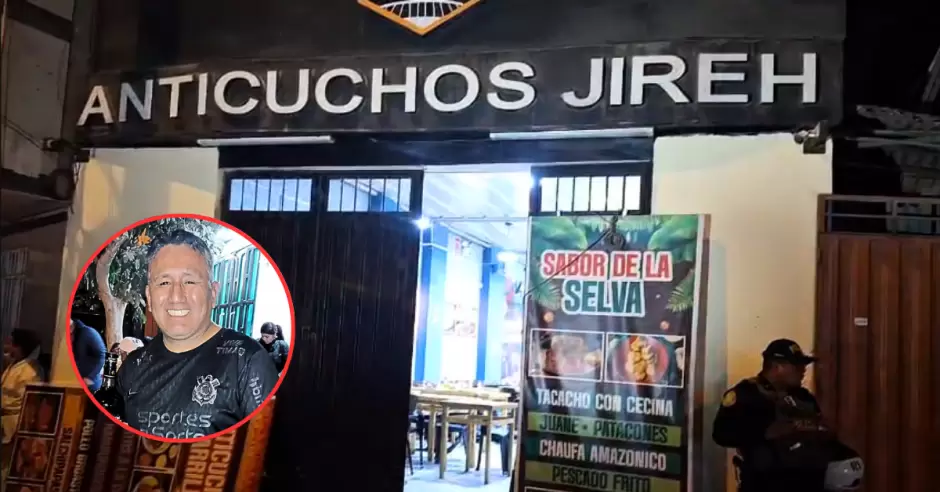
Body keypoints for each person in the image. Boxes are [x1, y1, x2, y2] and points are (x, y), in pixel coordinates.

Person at [115, 229, 280, 439]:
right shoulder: (135, 365)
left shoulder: (246, 362)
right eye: (164, 283)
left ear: (213, 293)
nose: (176, 296)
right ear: (149, 296)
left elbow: (264, 450)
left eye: (190, 282)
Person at [712, 339, 863, 492]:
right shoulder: (747, 394)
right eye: (797, 366)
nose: (803, 370)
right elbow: (721, 434)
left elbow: (819, 431)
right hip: (765, 485)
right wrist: (765, 432)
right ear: (777, 367)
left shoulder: (803, 397)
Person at [2, 330, 45, 444]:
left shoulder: (31, 370)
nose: (7, 347)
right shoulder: (15, 365)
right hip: (5, 421)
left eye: (11, 344)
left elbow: (31, 404)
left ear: (19, 347)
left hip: (16, 423)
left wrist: (24, 429)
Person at [71, 318, 107, 391]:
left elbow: (102, 355)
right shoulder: (74, 335)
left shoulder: (88, 332)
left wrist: (90, 377)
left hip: (90, 385)